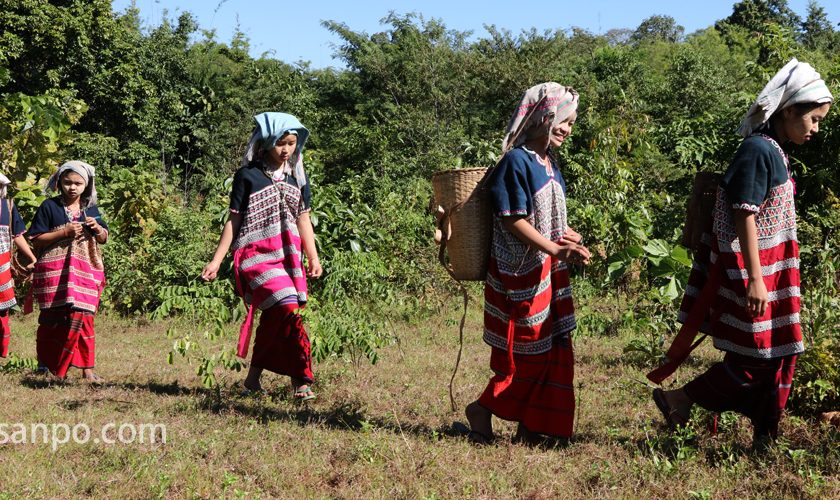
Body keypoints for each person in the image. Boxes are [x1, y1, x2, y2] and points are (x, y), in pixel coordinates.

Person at [652, 58, 833, 446]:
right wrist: (754, 279)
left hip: (772, 274)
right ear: (787, 110)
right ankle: (679, 399)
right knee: (757, 359)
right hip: (753, 274)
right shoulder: (757, 151)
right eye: (813, 119)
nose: (815, 128)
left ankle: (764, 438)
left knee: (780, 354)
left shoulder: (775, 151)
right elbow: (743, 214)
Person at [463, 83, 592, 444]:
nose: (567, 129)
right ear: (543, 117)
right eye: (563, 121)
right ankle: (482, 410)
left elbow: (550, 216)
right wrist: (554, 248)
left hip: (547, 271)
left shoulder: (549, 163)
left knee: (553, 347)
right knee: (529, 351)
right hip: (519, 272)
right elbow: (512, 219)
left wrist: (572, 240)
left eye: (571, 122)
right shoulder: (517, 161)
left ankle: (532, 425)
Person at [202, 112, 321, 401]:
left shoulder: (297, 179)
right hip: (255, 256)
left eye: (291, 143)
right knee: (288, 309)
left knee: (277, 316)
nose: (286, 150)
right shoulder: (248, 176)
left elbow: (303, 219)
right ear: (266, 142)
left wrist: (313, 258)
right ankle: (301, 380)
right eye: (281, 143)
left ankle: (253, 380)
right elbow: (234, 221)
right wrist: (217, 260)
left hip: (288, 258)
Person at [29, 161, 108, 381]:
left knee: (84, 318)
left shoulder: (90, 208)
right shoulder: (49, 207)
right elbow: (36, 239)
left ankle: (87, 370)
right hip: (54, 273)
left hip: (85, 273)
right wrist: (63, 232)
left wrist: (97, 228)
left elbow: (104, 238)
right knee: (52, 319)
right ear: (59, 182)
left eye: (77, 183)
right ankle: (46, 366)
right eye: (67, 182)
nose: (72, 187)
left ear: (86, 185)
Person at [0, 174, 37, 358]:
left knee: (1, 308)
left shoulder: (8, 206)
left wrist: (31, 257)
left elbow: (17, 235)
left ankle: (2, 350)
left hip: (2, 266)